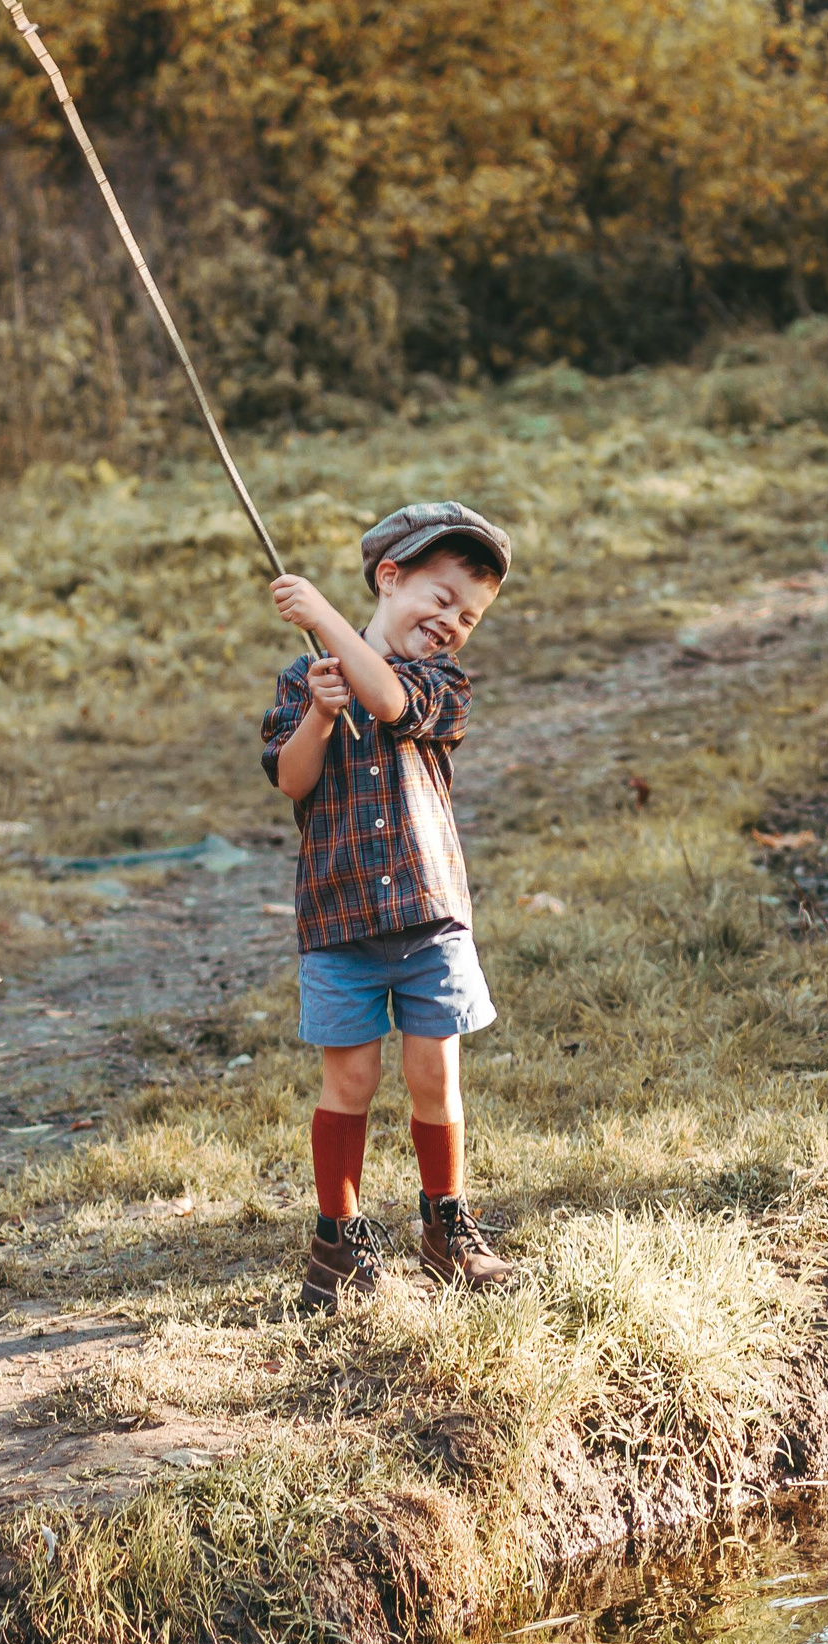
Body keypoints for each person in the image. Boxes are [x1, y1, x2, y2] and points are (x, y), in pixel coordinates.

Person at [262, 501, 517, 1311]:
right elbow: (291, 779)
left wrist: (326, 621)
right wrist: (319, 712)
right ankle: (339, 1241)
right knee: (353, 1078)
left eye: (468, 617)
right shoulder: (311, 681)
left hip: (427, 918)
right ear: (390, 577)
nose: (451, 623)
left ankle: (447, 1226)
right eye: (440, 600)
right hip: (339, 923)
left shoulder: (442, 686)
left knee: (433, 1074)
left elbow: (393, 704)